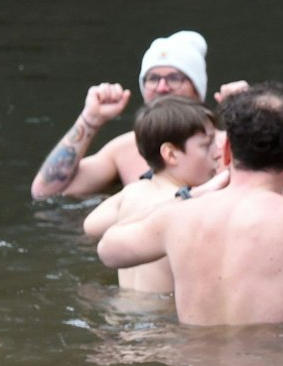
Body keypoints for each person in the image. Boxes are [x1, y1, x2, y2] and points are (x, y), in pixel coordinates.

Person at [98, 84, 283, 326]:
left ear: (226, 151)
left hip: (191, 363)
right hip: (281, 363)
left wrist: (186, 197)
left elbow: (108, 250)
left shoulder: (179, 216)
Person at [32, 30, 213, 202]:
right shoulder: (124, 149)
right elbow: (44, 192)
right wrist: (90, 120)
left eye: (174, 78)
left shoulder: (221, 144)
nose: (162, 87)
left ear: (197, 88)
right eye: (153, 78)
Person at [82, 97, 223, 293]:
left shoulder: (133, 191)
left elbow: (91, 226)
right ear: (170, 154)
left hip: (122, 314)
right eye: (207, 145)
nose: (217, 153)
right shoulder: (192, 207)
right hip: (164, 321)